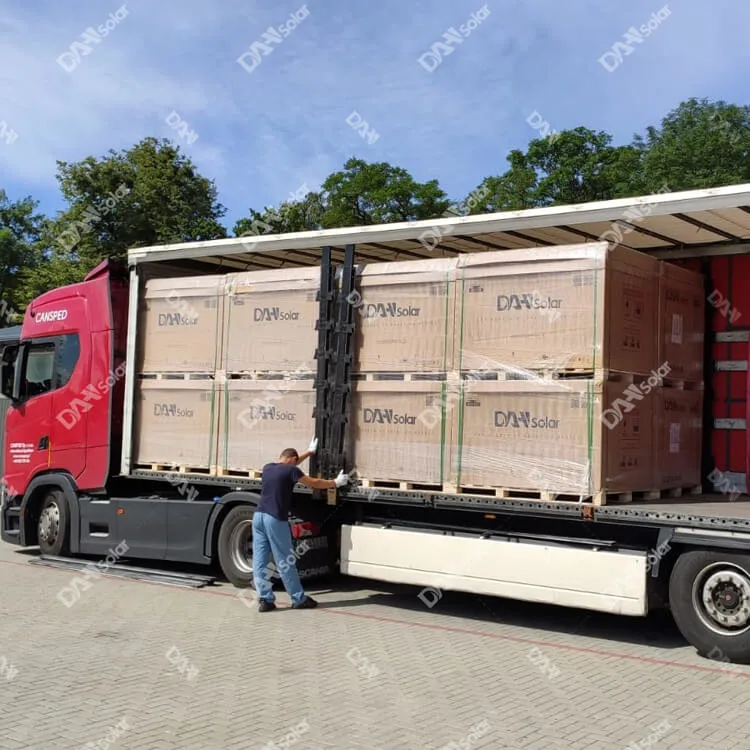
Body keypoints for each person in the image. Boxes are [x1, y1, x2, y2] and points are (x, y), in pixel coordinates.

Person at [253, 436, 349, 612]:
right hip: (275, 519)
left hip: (258, 517)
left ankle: (265, 599)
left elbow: (291, 466)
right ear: (293, 461)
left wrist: (309, 452)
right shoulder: (291, 471)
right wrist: (335, 482)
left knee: (260, 559)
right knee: (284, 560)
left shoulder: (268, 468)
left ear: (281, 457)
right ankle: (298, 598)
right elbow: (314, 483)